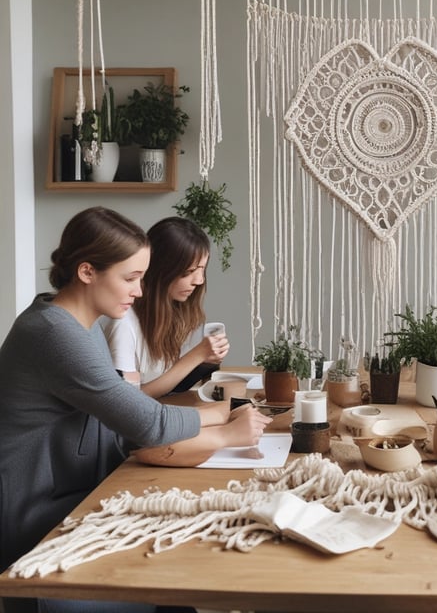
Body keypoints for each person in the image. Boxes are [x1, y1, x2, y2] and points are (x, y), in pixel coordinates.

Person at [0, 207, 271, 613]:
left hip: (73, 493)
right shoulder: (55, 334)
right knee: (181, 558)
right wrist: (224, 424)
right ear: (88, 271)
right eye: (130, 278)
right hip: (36, 512)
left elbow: (124, 418)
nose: (140, 292)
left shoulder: (78, 326)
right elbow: (148, 421)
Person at [102, 217, 228, 398]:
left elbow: (168, 384)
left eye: (202, 269)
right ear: (159, 270)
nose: (199, 280)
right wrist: (196, 356)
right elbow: (127, 402)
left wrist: (205, 361)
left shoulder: (171, 312)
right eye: (189, 272)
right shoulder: (123, 323)